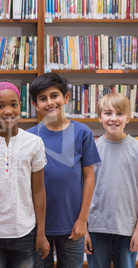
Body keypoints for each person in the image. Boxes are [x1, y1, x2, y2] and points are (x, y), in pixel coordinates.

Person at [27, 73, 101, 268]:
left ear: (66, 98)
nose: (49, 103)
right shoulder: (29, 137)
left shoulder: (82, 132)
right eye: (42, 99)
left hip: (72, 226)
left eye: (54, 96)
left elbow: (89, 177)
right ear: (35, 105)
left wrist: (83, 220)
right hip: (37, 228)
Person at [0, 81, 50, 268]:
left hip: (25, 233)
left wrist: (41, 233)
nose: (8, 111)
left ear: (21, 105)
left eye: (13, 104)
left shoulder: (34, 142)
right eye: (0, 106)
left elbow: (38, 190)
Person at [84, 92, 138, 268]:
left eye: (120, 114)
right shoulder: (91, 149)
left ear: (128, 118)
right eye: (108, 113)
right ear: (100, 117)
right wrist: (84, 229)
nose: (113, 118)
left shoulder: (136, 149)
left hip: (128, 229)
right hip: (96, 228)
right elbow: (81, 190)